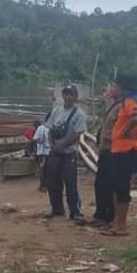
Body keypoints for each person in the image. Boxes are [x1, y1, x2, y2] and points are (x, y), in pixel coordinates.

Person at [102, 75, 137, 236]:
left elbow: (136, 118)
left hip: (127, 149)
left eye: (115, 86)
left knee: (121, 187)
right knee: (117, 185)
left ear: (123, 88)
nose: (113, 89)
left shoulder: (130, 101)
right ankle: (116, 222)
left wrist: (125, 132)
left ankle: (120, 226)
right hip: (123, 149)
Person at [45, 85, 87, 222]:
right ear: (62, 96)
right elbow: (50, 129)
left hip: (69, 153)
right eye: (66, 94)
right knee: (52, 181)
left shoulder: (79, 114)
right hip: (54, 152)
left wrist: (62, 145)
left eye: (71, 94)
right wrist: (52, 145)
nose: (68, 97)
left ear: (75, 97)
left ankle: (75, 211)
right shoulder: (56, 111)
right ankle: (57, 209)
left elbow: (77, 133)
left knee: (70, 183)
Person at [91, 85, 121, 227]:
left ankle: (109, 216)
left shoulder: (121, 107)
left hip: (112, 150)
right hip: (105, 149)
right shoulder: (112, 106)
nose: (108, 92)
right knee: (100, 183)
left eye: (111, 89)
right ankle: (100, 214)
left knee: (108, 184)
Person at [33, 118, 50, 192]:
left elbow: (36, 139)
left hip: (42, 152)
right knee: (48, 169)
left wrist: (42, 141)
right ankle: (47, 186)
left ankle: (43, 186)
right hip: (51, 151)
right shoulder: (51, 127)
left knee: (42, 169)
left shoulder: (40, 128)